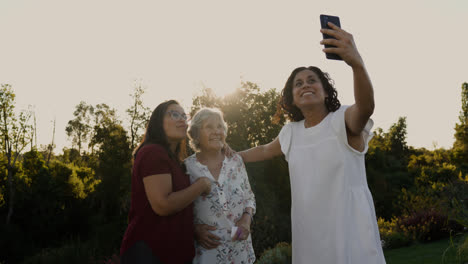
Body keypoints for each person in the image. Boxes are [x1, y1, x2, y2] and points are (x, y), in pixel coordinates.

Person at [238, 23, 386, 263]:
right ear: (292, 99)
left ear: (326, 92)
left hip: (348, 231)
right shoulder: (290, 133)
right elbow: (264, 149)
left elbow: (366, 107)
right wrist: (230, 155)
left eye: (312, 80)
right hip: (309, 233)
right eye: (298, 83)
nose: (305, 85)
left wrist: (356, 64)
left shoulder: (343, 119)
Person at [120, 100, 212, 264]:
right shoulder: (153, 153)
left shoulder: (174, 160)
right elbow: (163, 205)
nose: (182, 119)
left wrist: (193, 230)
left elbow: (179, 210)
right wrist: (201, 185)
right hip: (149, 253)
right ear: (158, 122)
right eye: (174, 114)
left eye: (184, 116)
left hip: (172, 254)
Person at [184, 108, 256, 264]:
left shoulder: (235, 161)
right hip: (206, 254)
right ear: (196, 134)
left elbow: (249, 196)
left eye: (220, 126)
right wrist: (194, 229)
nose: (216, 131)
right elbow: (179, 209)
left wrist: (246, 219)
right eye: (209, 127)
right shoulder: (187, 168)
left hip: (239, 251)